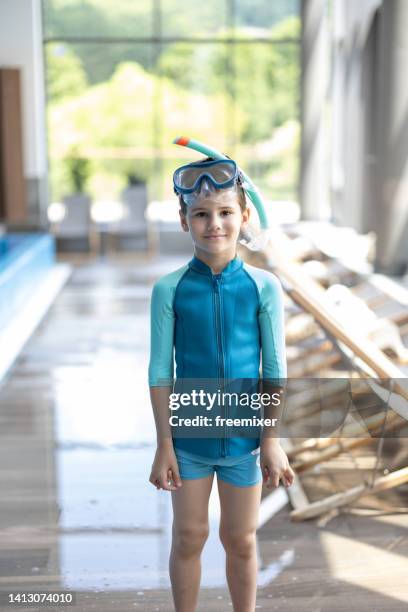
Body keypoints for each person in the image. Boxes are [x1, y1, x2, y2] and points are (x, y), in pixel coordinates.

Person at [148, 153, 295, 612]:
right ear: (183, 220)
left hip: (245, 442)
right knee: (189, 536)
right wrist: (164, 444)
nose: (215, 223)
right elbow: (160, 372)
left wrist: (271, 440)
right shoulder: (169, 289)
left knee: (241, 539)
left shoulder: (263, 286)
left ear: (244, 216)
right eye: (201, 214)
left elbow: (275, 370)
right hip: (189, 440)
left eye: (226, 212)